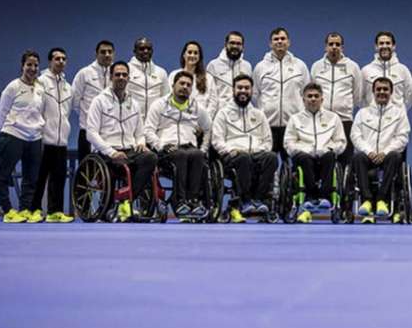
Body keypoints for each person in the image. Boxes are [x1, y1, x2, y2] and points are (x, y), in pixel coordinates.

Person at [86, 61, 158, 222]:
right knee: (113, 168)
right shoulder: (99, 101)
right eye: (117, 74)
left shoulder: (134, 104)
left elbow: (140, 132)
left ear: (129, 78)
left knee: (151, 158)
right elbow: (91, 133)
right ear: (111, 77)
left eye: (124, 75)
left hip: (129, 150)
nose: (121, 77)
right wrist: (111, 152)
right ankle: (110, 207)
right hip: (106, 152)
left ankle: (126, 202)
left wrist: (141, 142)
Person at [211, 74, 277, 223]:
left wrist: (259, 150)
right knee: (243, 158)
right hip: (232, 156)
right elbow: (217, 139)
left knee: (271, 157)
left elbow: (267, 141)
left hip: (255, 154)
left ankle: (259, 201)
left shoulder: (259, 114)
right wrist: (229, 150)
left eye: (246, 88)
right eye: (240, 87)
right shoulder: (223, 113)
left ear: (252, 91)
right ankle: (245, 201)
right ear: (233, 90)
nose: (243, 91)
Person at [145, 71, 211, 218]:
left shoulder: (196, 107)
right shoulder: (159, 105)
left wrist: (204, 148)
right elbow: (148, 130)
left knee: (198, 154)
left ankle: (193, 201)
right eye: (181, 83)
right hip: (167, 150)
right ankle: (179, 201)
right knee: (181, 155)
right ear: (173, 85)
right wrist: (160, 145)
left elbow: (208, 129)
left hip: (190, 148)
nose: (185, 87)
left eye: (188, 85)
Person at [284, 83, 347, 223]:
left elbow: (341, 141)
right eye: (309, 96)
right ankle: (311, 197)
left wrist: (329, 149)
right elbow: (288, 142)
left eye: (316, 96)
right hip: (304, 158)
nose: (313, 99)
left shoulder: (333, 118)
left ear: (322, 99)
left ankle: (325, 198)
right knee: (304, 158)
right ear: (303, 99)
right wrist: (304, 151)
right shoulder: (295, 119)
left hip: (325, 157)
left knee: (330, 156)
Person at [0, 50, 46, 223]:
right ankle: (8, 211)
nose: (32, 68)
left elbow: (40, 111)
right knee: (3, 174)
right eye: (29, 64)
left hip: (34, 138)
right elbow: (2, 113)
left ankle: (25, 209)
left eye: (36, 65)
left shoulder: (40, 88)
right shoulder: (13, 87)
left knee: (31, 178)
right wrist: (9, 131)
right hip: (13, 135)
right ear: (22, 66)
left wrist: (36, 130)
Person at [351, 77, 410, 223]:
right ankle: (367, 202)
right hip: (368, 157)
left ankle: (382, 200)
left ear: (391, 92)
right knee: (357, 157)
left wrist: (385, 152)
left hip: (388, 157)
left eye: (385, 89)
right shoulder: (362, 113)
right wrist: (369, 151)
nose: (382, 92)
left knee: (396, 155)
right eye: (378, 89)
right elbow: (355, 135)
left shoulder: (399, 113)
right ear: (373, 91)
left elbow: (402, 137)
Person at [253, 27, 310, 160]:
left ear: (288, 42)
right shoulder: (260, 67)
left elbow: (306, 92)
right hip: (267, 124)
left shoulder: (300, 66)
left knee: (295, 165)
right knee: (267, 164)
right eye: (276, 39)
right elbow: (255, 94)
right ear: (270, 43)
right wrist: (266, 109)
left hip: (293, 124)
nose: (279, 41)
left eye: (283, 39)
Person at [31, 47, 74, 223]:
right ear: (50, 61)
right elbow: (35, 110)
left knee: (58, 178)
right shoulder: (40, 82)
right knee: (39, 177)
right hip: (43, 139)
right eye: (57, 59)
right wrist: (40, 132)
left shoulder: (67, 87)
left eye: (64, 59)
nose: (61, 62)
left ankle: (55, 211)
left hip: (61, 140)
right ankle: (34, 210)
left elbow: (67, 112)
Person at [310, 32, 361, 166]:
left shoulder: (353, 67)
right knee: (323, 158)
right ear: (325, 47)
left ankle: (346, 186)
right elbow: (312, 92)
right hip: (322, 121)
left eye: (337, 44)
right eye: (331, 44)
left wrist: (344, 106)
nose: (334, 47)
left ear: (342, 48)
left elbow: (357, 95)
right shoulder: (316, 67)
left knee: (346, 160)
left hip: (345, 120)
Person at [72, 40, 114, 163]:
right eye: (103, 52)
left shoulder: (117, 74)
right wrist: (89, 117)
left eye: (109, 52)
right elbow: (75, 102)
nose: (107, 55)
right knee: (87, 172)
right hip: (87, 131)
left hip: (109, 133)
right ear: (96, 54)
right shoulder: (84, 74)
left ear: (114, 54)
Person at [361, 31, 412, 111]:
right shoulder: (366, 71)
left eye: (388, 43)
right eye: (381, 43)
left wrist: (398, 111)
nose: (384, 46)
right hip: (372, 119)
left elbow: (410, 97)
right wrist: (369, 111)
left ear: (393, 46)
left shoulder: (403, 70)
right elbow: (360, 97)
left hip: (397, 119)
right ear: (376, 47)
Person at [168, 41, 218, 119]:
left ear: (199, 57)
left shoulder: (208, 78)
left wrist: (204, 122)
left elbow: (213, 103)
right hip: (178, 121)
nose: (192, 55)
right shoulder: (174, 75)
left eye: (195, 53)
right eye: (190, 52)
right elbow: (169, 98)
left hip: (201, 124)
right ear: (184, 55)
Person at [127, 37, 169, 121]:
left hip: (154, 121)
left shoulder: (161, 72)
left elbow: (166, 99)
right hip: (131, 120)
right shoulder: (126, 70)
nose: (146, 51)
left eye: (148, 49)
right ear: (134, 51)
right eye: (142, 49)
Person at [206, 31, 252, 102]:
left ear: (243, 47)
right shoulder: (213, 65)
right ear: (225, 45)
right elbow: (208, 94)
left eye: (238, 44)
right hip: (219, 112)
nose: (235, 46)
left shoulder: (247, 66)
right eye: (232, 43)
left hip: (241, 111)